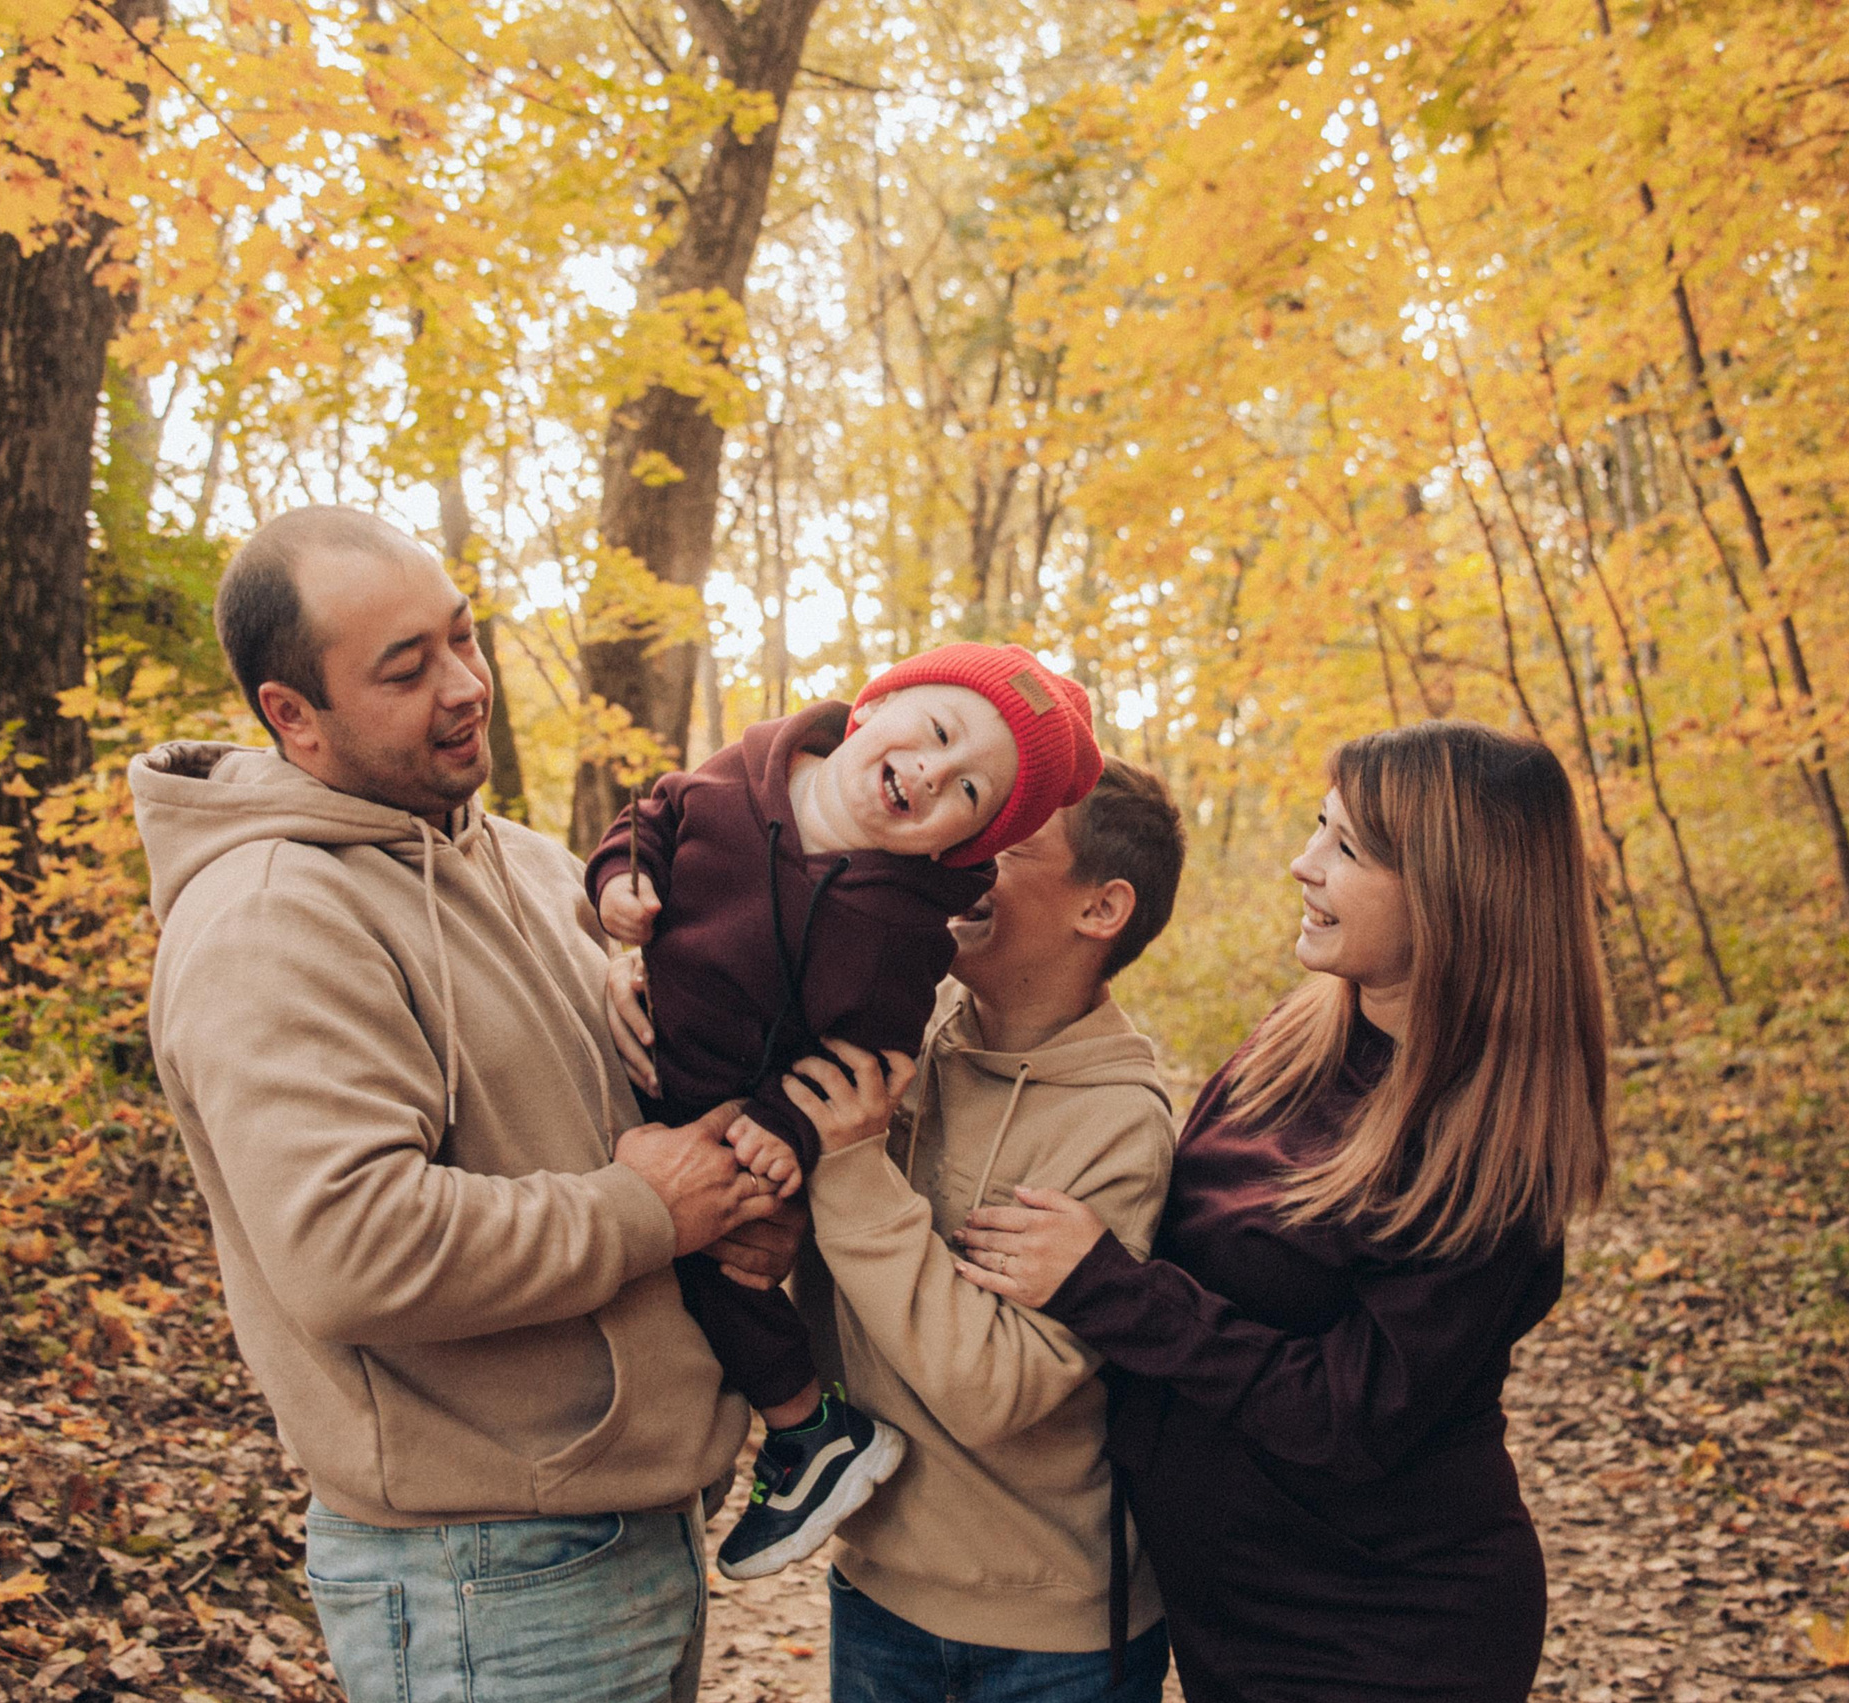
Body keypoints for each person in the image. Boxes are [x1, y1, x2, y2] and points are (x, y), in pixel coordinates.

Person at [133, 506, 784, 1703]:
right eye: (405, 667)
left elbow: (623, 1138)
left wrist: (738, 1197)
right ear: (293, 716)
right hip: (483, 1572)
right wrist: (647, 1211)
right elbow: (352, 1249)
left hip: (620, 1527)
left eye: (464, 638)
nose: (464, 685)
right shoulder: (274, 914)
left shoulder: (533, 865)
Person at [955, 721, 1612, 1703]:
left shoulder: (1488, 1159)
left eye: (1346, 848)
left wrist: (1106, 1288)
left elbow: (1347, 1415)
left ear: (1453, 892)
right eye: (1319, 826)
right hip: (1223, 1601)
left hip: (1385, 1634)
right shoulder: (1295, 1036)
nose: (1303, 864)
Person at [611, 759, 1189, 1702]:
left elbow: (994, 1386)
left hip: (1048, 1633)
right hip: (878, 1589)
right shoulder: (904, 1030)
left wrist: (846, 1168)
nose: (963, 857)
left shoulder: (1118, 1123)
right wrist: (638, 981)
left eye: (1008, 847)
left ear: (1102, 908)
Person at [584, 642, 1105, 1580]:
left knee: (723, 1273)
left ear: (961, 846)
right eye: (939, 731)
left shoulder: (900, 927)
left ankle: (809, 1431)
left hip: (729, 1118)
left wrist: (783, 1126)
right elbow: (648, 817)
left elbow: (870, 1059)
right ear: (874, 706)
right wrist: (618, 884)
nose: (935, 771)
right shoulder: (737, 776)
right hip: (634, 1077)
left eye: (970, 792)